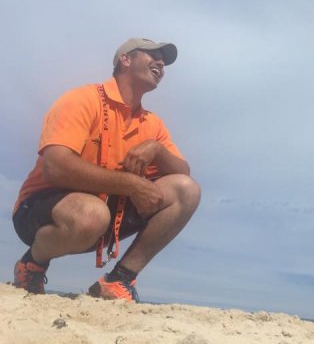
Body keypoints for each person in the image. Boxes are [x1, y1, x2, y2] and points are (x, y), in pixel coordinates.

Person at [12, 38, 201, 302]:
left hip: (105, 218)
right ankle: (32, 263)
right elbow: (55, 166)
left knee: (186, 190)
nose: (160, 63)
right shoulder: (83, 99)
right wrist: (132, 185)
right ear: (125, 59)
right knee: (91, 213)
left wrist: (156, 149)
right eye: (152, 55)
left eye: (164, 60)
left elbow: (184, 172)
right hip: (42, 211)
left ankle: (119, 280)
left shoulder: (151, 124)